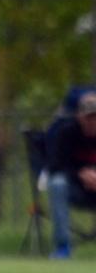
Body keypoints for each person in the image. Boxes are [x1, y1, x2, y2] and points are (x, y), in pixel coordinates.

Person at [46, 89, 96, 259]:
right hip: (76, 189)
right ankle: (63, 247)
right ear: (79, 116)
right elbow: (55, 165)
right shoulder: (66, 133)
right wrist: (81, 174)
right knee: (57, 183)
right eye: (89, 117)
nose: (93, 122)